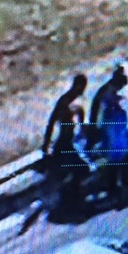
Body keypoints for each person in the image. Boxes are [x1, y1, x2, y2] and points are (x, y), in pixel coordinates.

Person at [41, 74, 90, 203]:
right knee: (79, 169)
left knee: (78, 170)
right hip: (64, 143)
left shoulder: (79, 102)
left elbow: (82, 124)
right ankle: (70, 198)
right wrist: (46, 143)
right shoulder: (64, 102)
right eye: (82, 86)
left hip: (72, 142)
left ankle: (73, 196)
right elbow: (51, 122)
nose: (83, 90)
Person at [98, 62, 128, 202]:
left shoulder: (124, 90)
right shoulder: (108, 91)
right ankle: (112, 187)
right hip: (113, 130)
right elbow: (103, 112)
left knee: (126, 155)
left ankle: (124, 182)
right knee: (114, 158)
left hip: (124, 127)